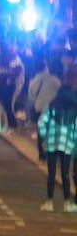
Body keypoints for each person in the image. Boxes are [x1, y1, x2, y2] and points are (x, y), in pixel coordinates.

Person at [37, 71, 77, 213]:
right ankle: (67, 203)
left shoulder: (52, 105)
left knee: (51, 173)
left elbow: (41, 122)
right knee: (65, 174)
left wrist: (44, 137)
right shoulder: (74, 109)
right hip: (67, 145)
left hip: (51, 143)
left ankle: (49, 202)